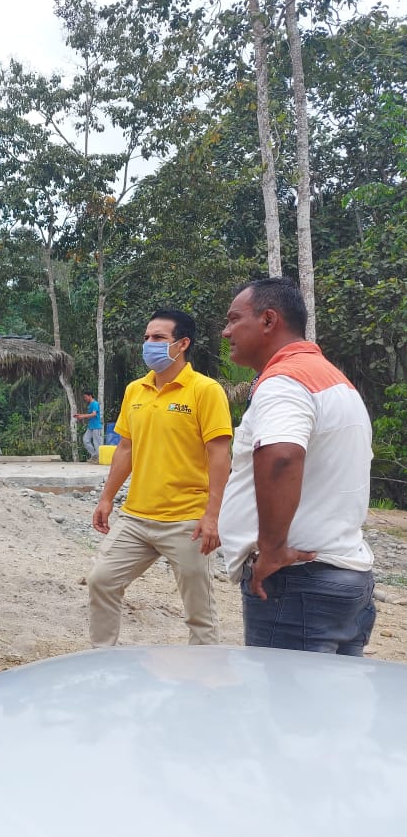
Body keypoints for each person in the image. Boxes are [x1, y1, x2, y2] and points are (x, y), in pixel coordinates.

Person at [219, 277, 375, 655]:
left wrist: (272, 550)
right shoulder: (335, 381)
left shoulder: (284, 381)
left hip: (297, 585)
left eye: (234, 319)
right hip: (343, 578)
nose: (226, 332)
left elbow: (281, 456)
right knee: (330, 693)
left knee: (284, 694)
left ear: (268, 320)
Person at [87, 309, 232, 647]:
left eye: (158, 338)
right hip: (136, 518)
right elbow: (125, 448)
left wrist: (212, 515)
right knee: (101, 581)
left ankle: (204, 671)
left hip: (187, 521)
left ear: (182, 344)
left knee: (199, 612)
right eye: (146, 337)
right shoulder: (135, 390)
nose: (148, 344)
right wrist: (107, 498)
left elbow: (219, 455)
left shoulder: (205, 390)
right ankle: (101, 661)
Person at [75, 391, 103, 461]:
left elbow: (94, 414)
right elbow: (90, 415)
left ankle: (100, 458)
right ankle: (94, 455)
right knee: (85, 440)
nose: (85, 398)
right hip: (91, 426)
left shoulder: (95, 403)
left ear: (90, 396)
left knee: (97, 443)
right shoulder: (90, 405)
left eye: (85, 397)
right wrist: (80, 415)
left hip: (96, 426)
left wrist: (83, 416)